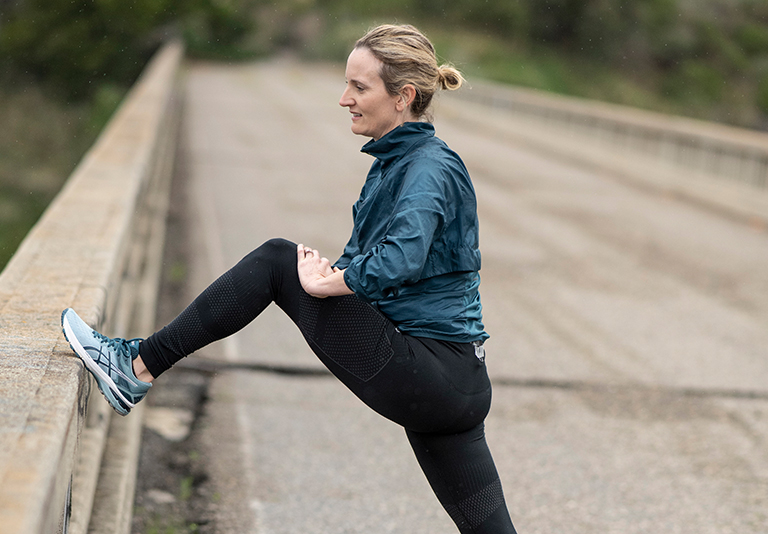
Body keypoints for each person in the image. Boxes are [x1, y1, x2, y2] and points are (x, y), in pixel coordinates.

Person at [61, 23, 517, 534]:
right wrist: (335, 271)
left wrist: (326, 284)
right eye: (347, 84)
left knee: (278, 262)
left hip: (431, 373)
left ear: (403, 96)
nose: (344, 98)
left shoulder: (428, 167)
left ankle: (136, 366)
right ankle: (136, 366)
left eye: (360, 87)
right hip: (458, 382)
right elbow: (386, 263)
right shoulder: (399, 163)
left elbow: (400, 260)